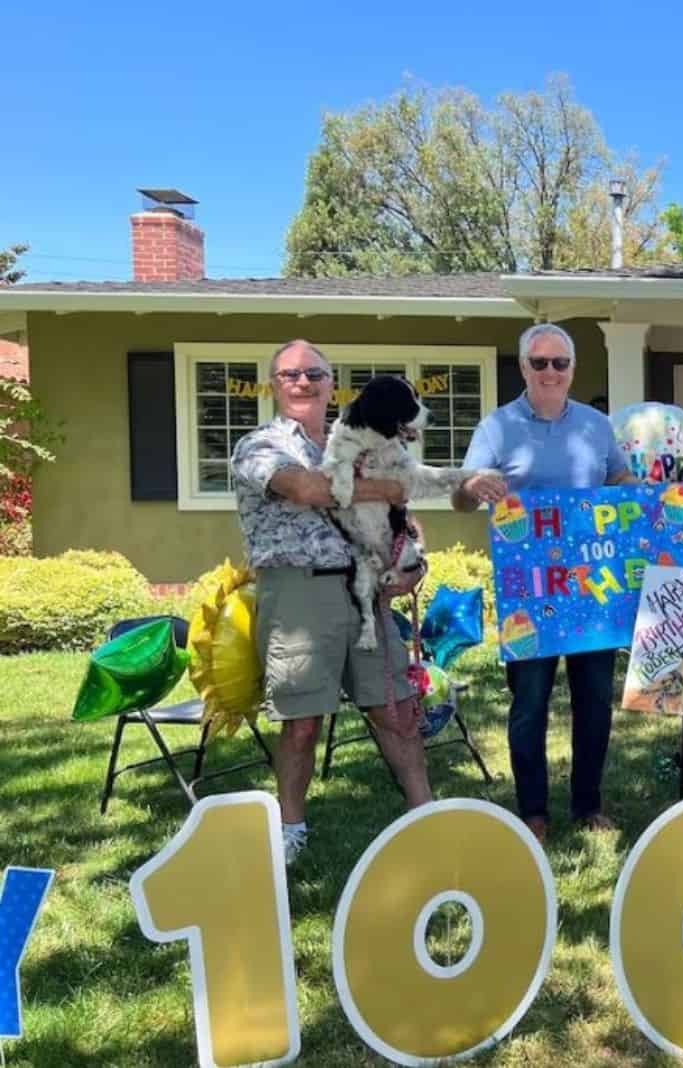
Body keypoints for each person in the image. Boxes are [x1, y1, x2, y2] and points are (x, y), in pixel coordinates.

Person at [230, 339, 504, 865]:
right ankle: (291, 829)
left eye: (314, 373)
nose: (303, 382)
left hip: (369, 589)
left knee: (398, 708)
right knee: (303, 720)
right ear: (274, 384)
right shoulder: (260, 444)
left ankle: (425, 817)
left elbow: (407, 515)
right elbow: (310, 489)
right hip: (299, 593)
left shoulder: (359, 441)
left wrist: (414, 563)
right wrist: (390, 489)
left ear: (332, 384)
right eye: (290, 374)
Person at [454, 323, 634, 841]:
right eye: (540, 363)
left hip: (592, 588)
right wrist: (472, 485)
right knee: (529, 701)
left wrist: (638, 500)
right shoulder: (496, 427)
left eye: (560, 363)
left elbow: (618, 480)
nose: (550, 372)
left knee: (594, 699)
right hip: (528, 592)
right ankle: (533, 809)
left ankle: (587, 805)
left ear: (573, 368)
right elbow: (462, 498)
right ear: (525, 367)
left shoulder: (597, 427)